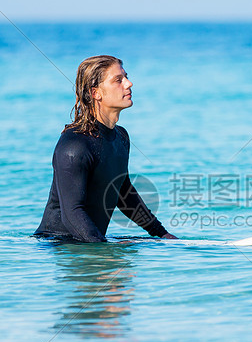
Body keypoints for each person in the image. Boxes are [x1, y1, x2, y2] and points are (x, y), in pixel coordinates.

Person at [34, 55, 178, 242]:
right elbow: (71, 213)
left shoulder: (121, 137)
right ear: (96, 93)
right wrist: (104, 249)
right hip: (59, 244)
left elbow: (123, 193)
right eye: (118, 80)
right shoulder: (74, 145)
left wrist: (160, 233)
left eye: (126, 77)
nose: (129, 83)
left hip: (91, 242)